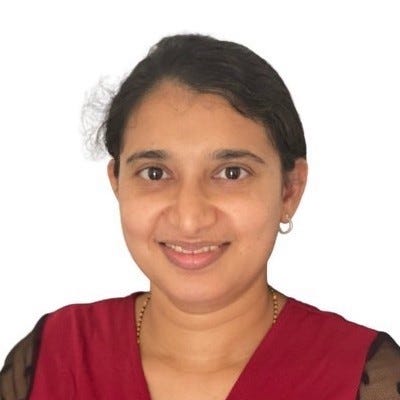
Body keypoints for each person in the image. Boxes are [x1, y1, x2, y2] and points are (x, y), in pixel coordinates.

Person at [1, 33, 399, 400]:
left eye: (231, 173)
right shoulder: (51, 357)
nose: (190, 218)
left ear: (288, 190)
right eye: (155, 173)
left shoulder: (363, 375)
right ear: (117, 182)